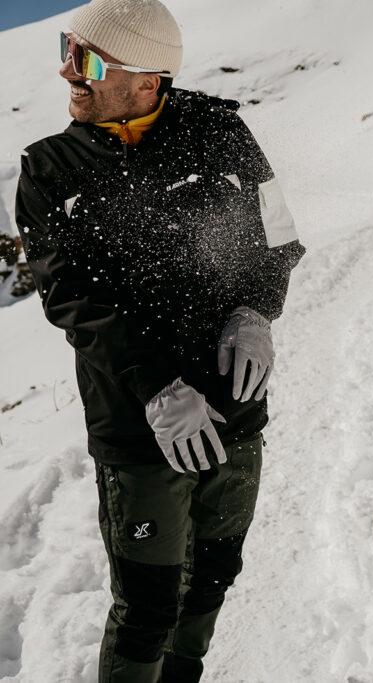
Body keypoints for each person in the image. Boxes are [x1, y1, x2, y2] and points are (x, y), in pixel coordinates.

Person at [14, 1, 305, 680]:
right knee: (146, 606)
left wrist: (257, 311)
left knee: (213, 572)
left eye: (86, 58)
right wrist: (156, 384)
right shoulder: (50, 170)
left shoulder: (221, 133)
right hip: (139, 429)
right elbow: (71, 300)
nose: (67, 71)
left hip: (235, 412)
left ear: (147, 80)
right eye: (67, 48)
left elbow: (277, 236)